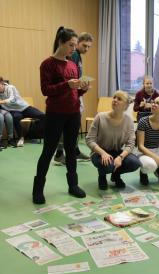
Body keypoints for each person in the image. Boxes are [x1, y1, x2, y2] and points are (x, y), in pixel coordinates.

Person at [33, 26, 90, 204]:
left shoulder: (72, 64)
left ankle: (73, 185)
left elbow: (74, 92)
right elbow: (45, 90)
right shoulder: (47, 64)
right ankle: (38, 189)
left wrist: (82, 90)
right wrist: (67, 85)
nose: (73, 49)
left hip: (73, 113)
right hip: (55, 114)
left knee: (71, 150)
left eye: (75, 45)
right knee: (48, 150)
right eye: (70, 45)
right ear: (60, 42)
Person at [86, 90, 141, 190]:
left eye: (119, 99)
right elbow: (89, 140)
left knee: (135, 163)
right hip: (98, 153)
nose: (115, 100)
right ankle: (102, 176)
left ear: (125, 106)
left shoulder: (128, 120)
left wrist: (121, 157)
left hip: (117, 152)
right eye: (114, 97)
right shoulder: (100, 117)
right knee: (107, 165)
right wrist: (103, 153)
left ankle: (116, 175)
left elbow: (131, 144)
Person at [54, 32, 94, 165]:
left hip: (76, 92)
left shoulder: (78, 56)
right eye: (84, 45)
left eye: (89, 47)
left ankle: (73, 151)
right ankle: (61, 153)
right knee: (70, 124)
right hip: (71, 94)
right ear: (78, 43)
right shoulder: (74, 54)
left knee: (74, 124)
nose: (87, 49)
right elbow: (70, 76)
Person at [0, 77, 45, 147]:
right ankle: (21, 137)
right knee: (16, 118)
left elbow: (13, 99)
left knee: (42, 116)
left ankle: (31, 133)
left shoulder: (10, 88)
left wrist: (1, 101)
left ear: (2, 83)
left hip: (24, 107)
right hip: (14, 111)